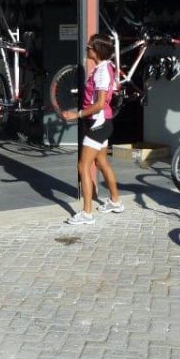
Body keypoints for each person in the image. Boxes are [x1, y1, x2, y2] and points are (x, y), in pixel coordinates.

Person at [61, 34, 123, 224]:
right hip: (102, 122)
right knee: (102, 162)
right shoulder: (102, 68)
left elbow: (100, 103)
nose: (87, 49)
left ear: (96, 51)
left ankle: (87, 213)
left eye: (89, 47)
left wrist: (77, 114)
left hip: (99, 123)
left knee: (83, 166)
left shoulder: (103, 71)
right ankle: (115, 201)